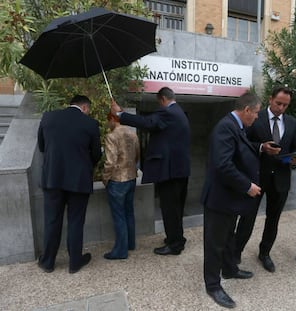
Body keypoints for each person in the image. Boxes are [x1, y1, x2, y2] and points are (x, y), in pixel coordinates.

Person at [201, 92, 279, 309]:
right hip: (219, 199)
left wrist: (261, 147)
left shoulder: (236, 126)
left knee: (227, 238)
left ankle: (229, 269)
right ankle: (213, 285)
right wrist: (247, 186)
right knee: (215, 244)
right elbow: (223, 164)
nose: (256, 118)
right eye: (255, 113)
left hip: (229, 198)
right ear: (247, 110)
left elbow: (241, 148)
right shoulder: (225, 127)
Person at [111, 87, 190, 256]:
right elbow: (152, 121)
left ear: (162, 99)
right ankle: (177, 239)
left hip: (170, 172)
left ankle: (174, 245)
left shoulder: (169, 113)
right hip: (179, 171)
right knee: (176, 208)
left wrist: (120, 115)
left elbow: (147, 122)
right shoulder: (178, 112)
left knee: (170, 208)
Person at [234, 86, 296, 273]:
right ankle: (235, 252)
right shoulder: (255, 117)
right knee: (247, 217)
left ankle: (265, 253)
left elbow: (294, 149)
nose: (281, 108)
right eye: (278, 103)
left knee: (273, 220)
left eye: (285, 105)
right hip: (256, 177)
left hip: (281, 180)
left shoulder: (293, 123)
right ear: (270, 99)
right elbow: (242, 144)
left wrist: (295, 161)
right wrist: (261, 147)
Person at [37, 95, 102, 274]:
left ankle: (48, 262)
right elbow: (96, 154)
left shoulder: (48, 117)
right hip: (79, 180)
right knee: (75, 221)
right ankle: (74, 262)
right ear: (85, 107)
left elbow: (42, 147)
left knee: (51, 220)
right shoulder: (90, 124)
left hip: (53, 178)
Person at [102, 112, 140, 260]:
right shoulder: (132, 134)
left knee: (119, 216)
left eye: (108, 121)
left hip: (117, 180)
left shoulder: (111, 136)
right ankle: (130, 243)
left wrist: (105, 179)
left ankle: (120, 251)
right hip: (131, 178)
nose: (108, 124)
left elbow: (110, 162)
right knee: (129, 212)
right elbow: (137, 156)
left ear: (112, 119)